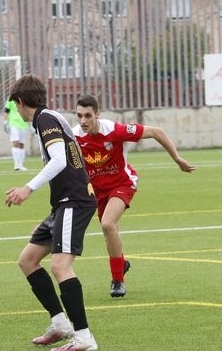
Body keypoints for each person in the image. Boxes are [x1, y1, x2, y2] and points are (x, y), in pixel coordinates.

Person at [4, 74, 99, 351]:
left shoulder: (45, 119)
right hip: (63, 204)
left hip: (74, 202)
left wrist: (27, 188)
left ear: (20, 102)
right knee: (28, 260)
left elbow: (59, 160)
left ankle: (84, 337)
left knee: (60, 267)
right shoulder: (47, 118)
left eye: (16, 105)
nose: (17, 110)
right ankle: (60, 324)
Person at [73, 94, 196, 298]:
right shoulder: (74, 137)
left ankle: (117, 281)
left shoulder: (115, 130)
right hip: (98, 191)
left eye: (88, 116)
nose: (83, 121)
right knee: (110, 233)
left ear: (97, 114)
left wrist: (177, 159)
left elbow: (156, 131)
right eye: (79, 116)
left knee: (108, 224)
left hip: (122, 184)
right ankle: (120, 263)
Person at [4, 97, 30, 171]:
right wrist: (5, 122)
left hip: (23, 124)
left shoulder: (25, 98)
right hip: (13, 124)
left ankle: (20, 165)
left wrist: (31, 123)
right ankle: (16, 165)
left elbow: (28, 110)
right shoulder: (10, 98)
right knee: (16, 143)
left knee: (21, 144)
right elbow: (6, 110)